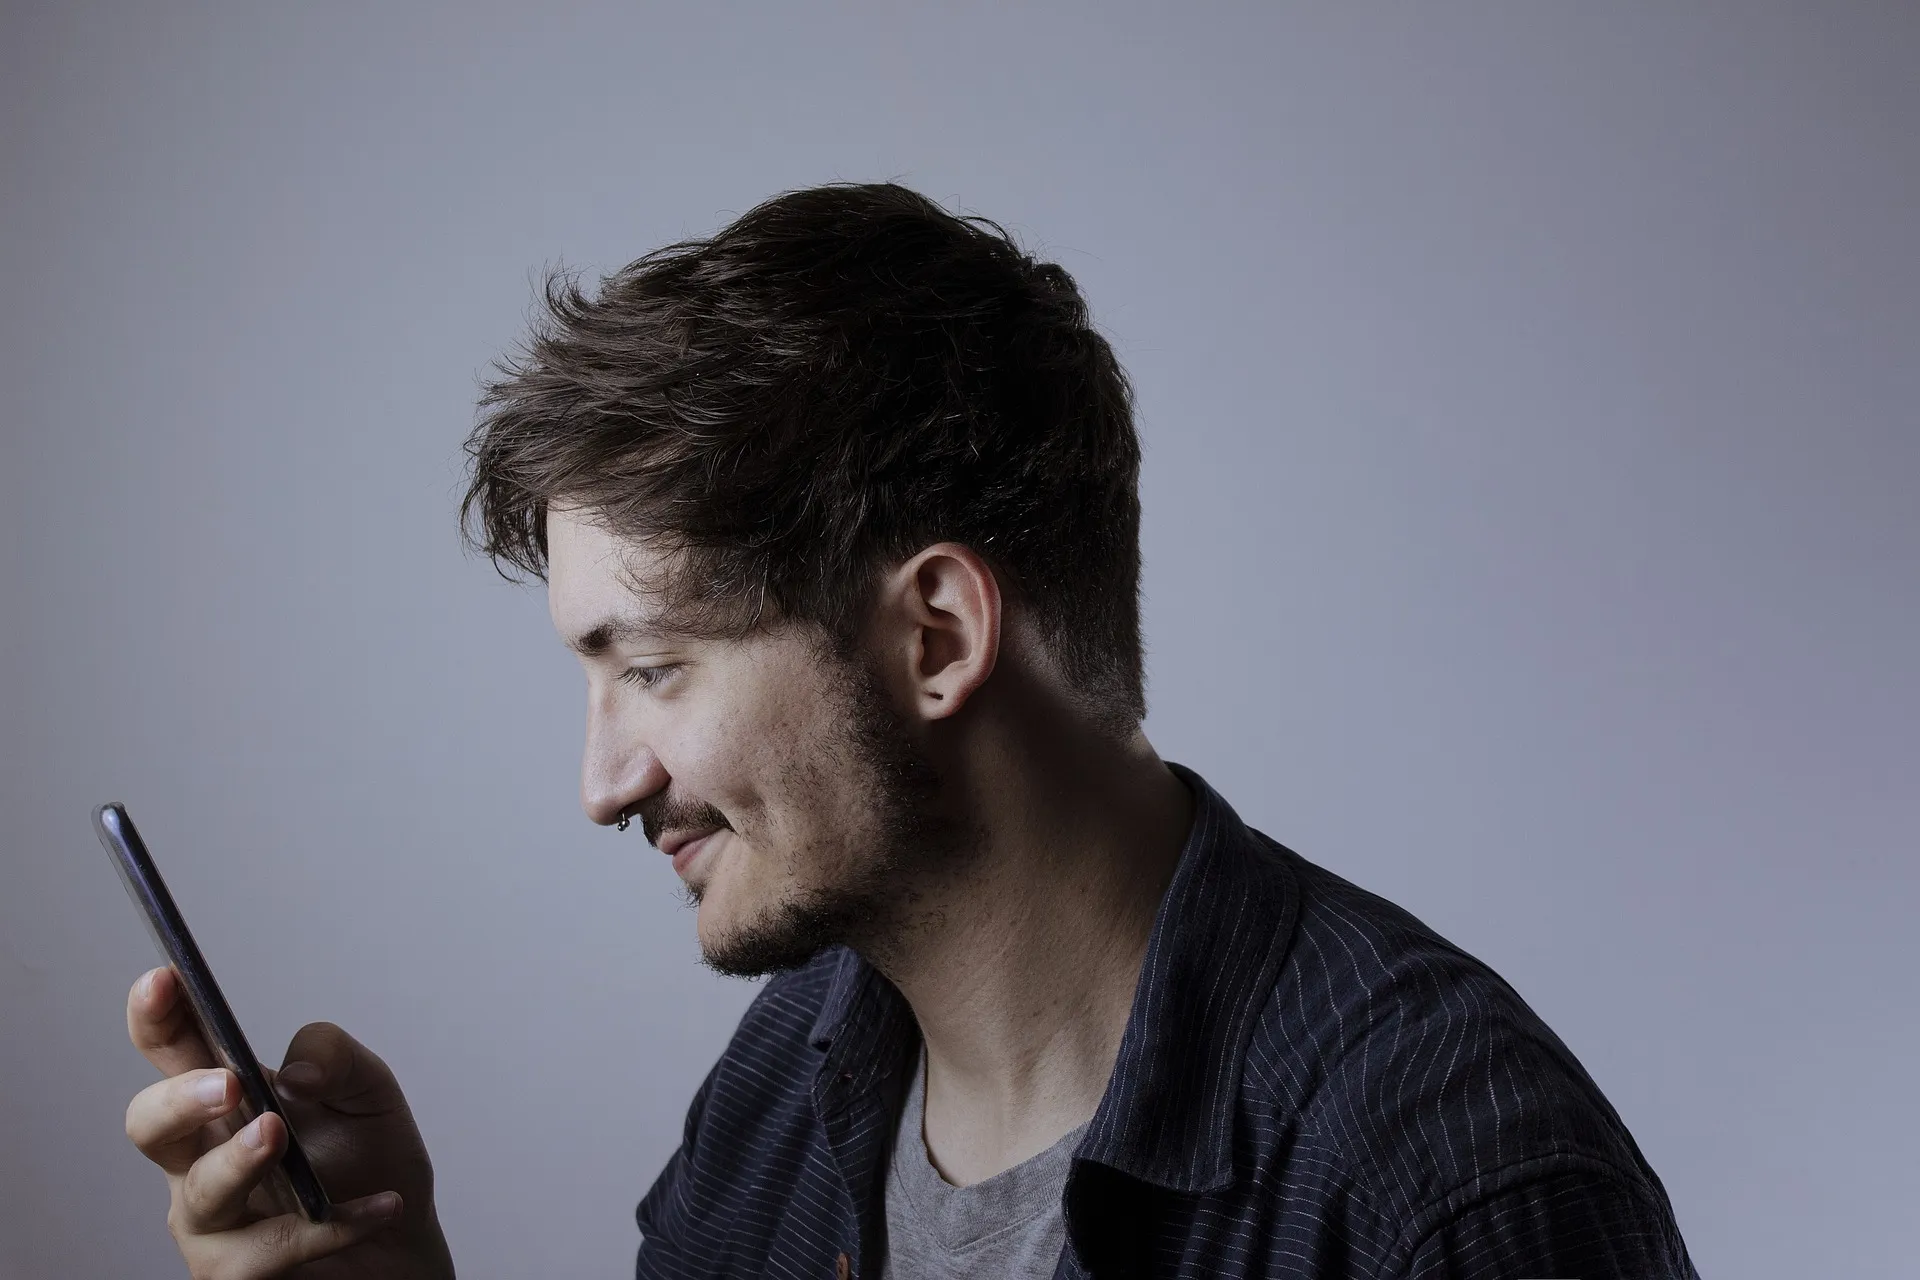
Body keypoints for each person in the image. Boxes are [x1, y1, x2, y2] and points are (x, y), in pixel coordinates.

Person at [120, 182, 1700, 1279]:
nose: (602, 784)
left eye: (652, 667)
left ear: (934, 636)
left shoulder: (1444, 1188)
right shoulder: (791, 1078)